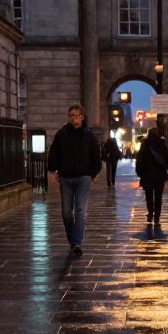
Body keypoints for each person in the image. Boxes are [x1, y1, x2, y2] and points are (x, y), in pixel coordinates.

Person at [47, 103, 102, 255]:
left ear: (81, 117)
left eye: (75, 115)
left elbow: (96, 157)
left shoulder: (89, 135)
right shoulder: (61, 134)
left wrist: (92, 175)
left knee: (80, 210)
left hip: (83, 177)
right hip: (65, 178)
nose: (72, 118)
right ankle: (73, 239)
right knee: (66, 212)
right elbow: (53, 154)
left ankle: (77, 243)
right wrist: (53, 171)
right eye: (70, 115)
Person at [135, 127, 168, 225]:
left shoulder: (144, 146)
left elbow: (139, 161)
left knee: (149, 196)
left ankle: (150, 214)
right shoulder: (162, 145)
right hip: (159, 176)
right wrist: (166, 167)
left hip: (147, 176)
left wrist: (140, 173)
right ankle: (157, 216)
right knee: (158, 197)